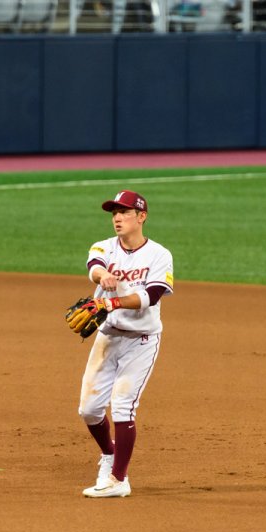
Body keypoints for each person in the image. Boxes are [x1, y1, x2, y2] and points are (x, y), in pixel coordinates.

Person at [77, 190, 174, 498]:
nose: (117, 217)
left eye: (124, 212)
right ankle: (109, 454)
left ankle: (119, 479)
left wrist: (112, 302)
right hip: (108, 338)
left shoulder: (160, 255)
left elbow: (151, 296)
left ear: (141, 217)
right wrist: (102, 274)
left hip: (141, 342)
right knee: (89, 410)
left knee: (122, 407)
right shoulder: (105, 246)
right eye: (114, 212)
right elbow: (94, 264)